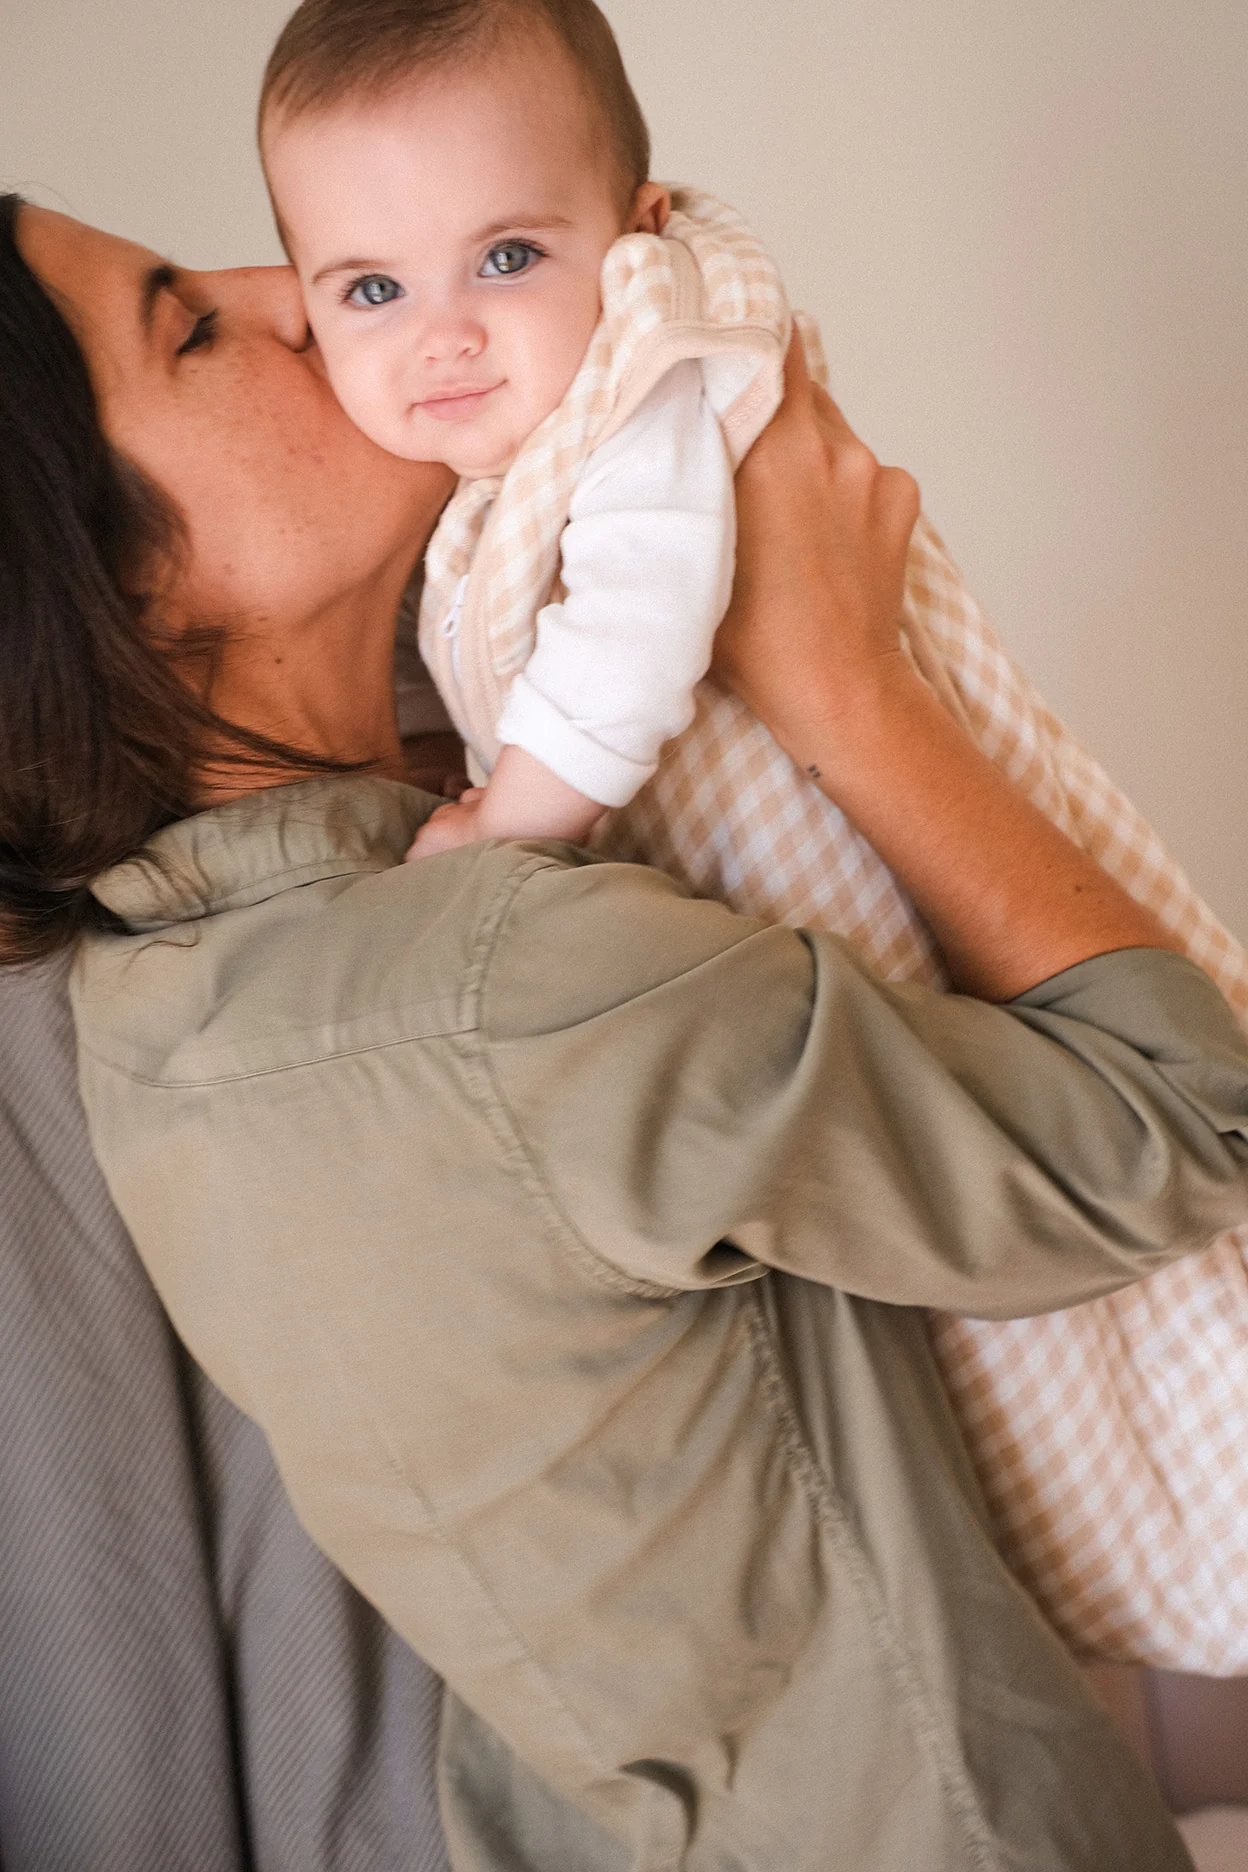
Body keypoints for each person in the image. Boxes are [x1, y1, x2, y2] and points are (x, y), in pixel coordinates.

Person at [4, 192, 1245, 1872]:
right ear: (120, 588)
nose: (288, 293)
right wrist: (846, 684)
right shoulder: (508, 995)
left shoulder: (149, 1024)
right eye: (188, 328)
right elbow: (1180, 1120)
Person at [259, 0, 770, 854]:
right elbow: (433, 610)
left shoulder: (646, 381)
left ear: (636, 239)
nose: (444, 337)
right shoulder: (465, 458)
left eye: (506, 259)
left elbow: (638, 618)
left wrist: (508, 823)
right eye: (375, 290)